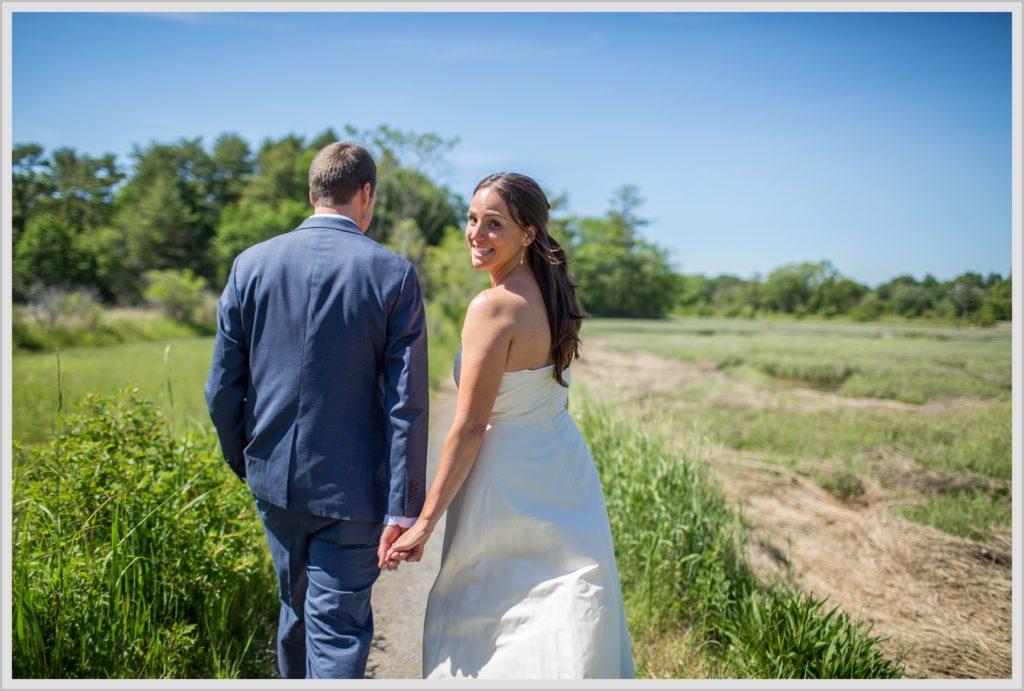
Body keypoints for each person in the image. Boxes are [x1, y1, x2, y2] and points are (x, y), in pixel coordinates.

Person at [384, 173, 634, 678]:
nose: (476, 233)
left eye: (494, 223)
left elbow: (471, 426)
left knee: (488, 611)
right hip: (564, 471)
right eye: (472, 219)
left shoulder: (493, 306)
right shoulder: (550, 294)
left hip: (506, 483)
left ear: (529, 234)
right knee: (562, 604)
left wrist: (425, 522)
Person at [204, 141, 429, 679]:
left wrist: (248, 463)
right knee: (336, 631)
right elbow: (406, 405)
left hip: (273, 485)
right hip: (353, 492)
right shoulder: (393, 275)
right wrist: (403, 507)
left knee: (296, 613)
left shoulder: (250, 265)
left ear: (313, 194)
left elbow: (220, 389)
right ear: (366, 194)